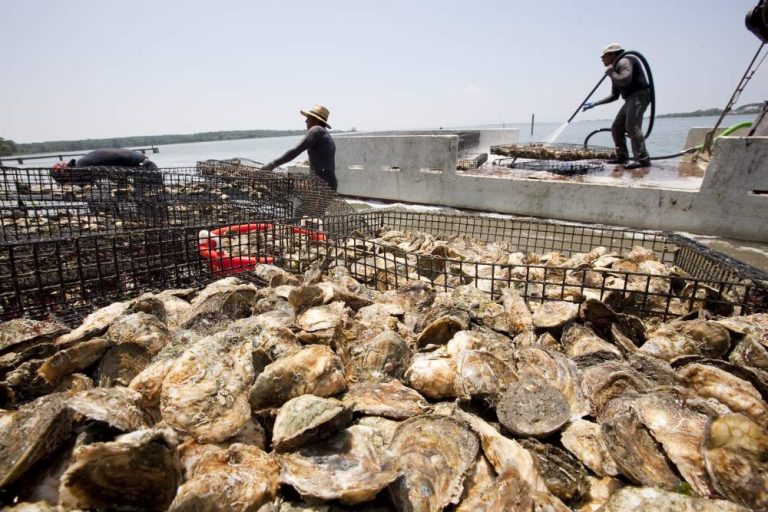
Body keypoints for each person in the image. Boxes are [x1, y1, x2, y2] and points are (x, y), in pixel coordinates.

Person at [582, 43, 652, 169]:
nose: (602, 59)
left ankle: (642, 159)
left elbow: (625, 80)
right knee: (616, 128)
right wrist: (595, 103)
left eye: (604, 56)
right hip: (630, 99)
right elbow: (615, 95)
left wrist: (611, 74)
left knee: (632, 127)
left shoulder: (625, 61)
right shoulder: (614, 68)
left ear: (612, 54)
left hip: (639, 96)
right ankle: (622, 156)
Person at [261, 104, 337, 191]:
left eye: (308, 118)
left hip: (321, 184)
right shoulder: (325, 134)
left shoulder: (316, 130)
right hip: (329, 183)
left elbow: (295, 151)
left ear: (316, 119)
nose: (306, 121)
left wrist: (271, 165)